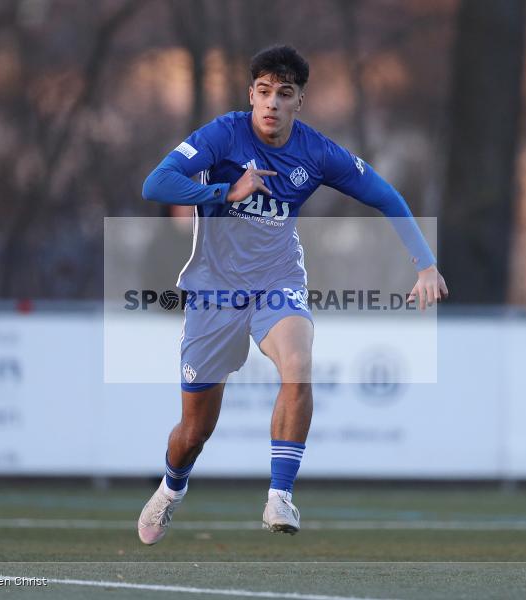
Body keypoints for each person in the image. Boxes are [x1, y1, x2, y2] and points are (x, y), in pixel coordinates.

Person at [137, 44, 447, 545]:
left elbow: (386, 195)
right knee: (194, 432)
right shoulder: (223, 134)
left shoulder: (317, 152)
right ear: (250, 95)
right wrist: (224, 191)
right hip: (214, 293)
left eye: (284, 94)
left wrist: (425, 264)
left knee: (299, 364)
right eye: (264, 92)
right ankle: (171, 488)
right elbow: (156, 184)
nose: (272, 103)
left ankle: (280, 495)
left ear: (299, 100)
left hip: (277, 282)